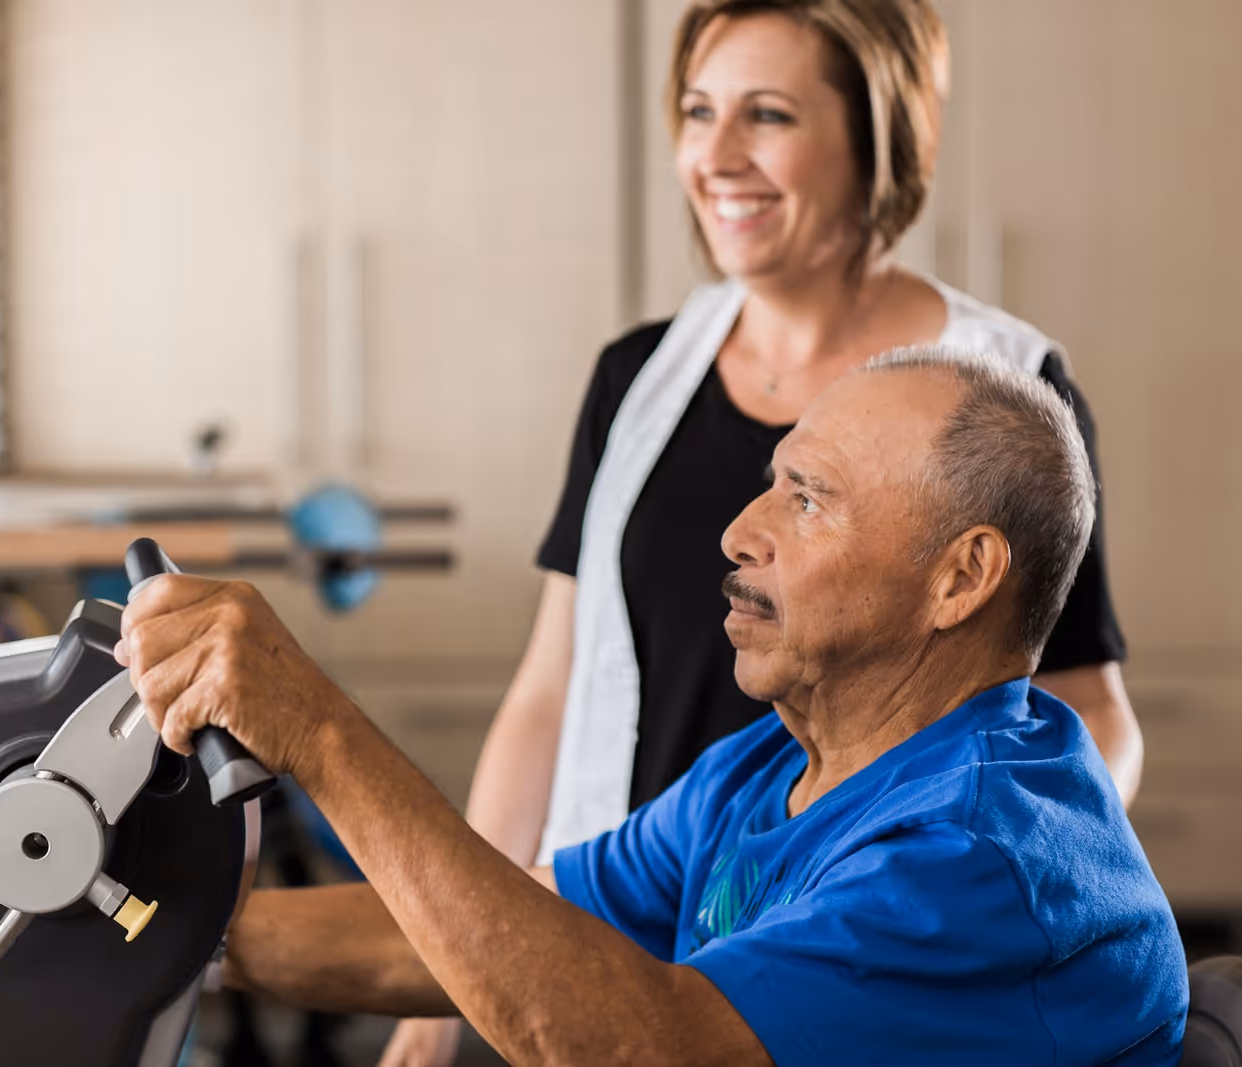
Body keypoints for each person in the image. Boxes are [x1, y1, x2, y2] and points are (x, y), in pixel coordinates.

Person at [386, 0, 1141, 1058]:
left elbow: (1082, 712)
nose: (716, 155)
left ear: (876, 138)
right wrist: (441, 981)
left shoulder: (1000, 392)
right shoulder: (636, 378)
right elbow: (548, 690)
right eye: (698, 111)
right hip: (613, 922)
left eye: (768, 115)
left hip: (834, 960)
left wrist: (976, 905)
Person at [117, 350, 1186, 1066]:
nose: (739, 529)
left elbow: (640, 1045)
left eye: (808, 497)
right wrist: (143, 925)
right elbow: (495, 926)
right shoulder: (767, 770)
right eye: (773, 481)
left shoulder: (977, 856)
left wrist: (319, 728)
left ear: (961, 578)